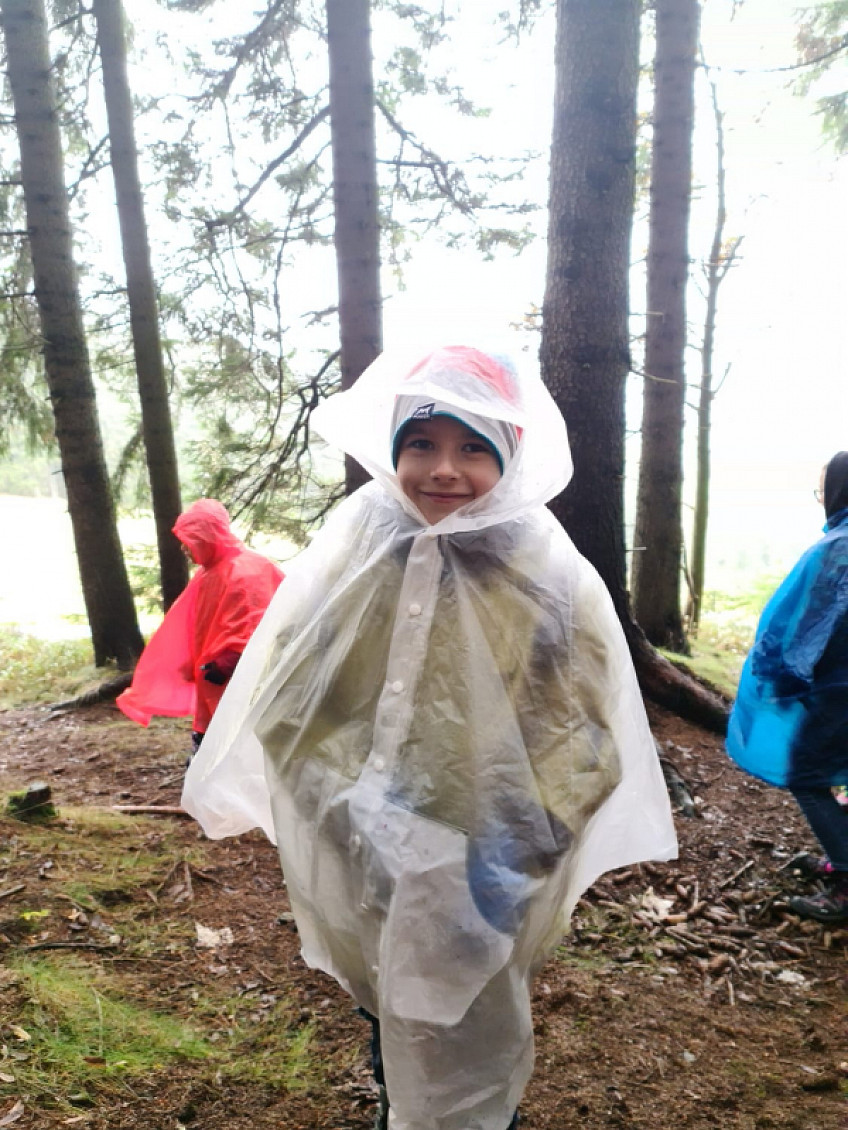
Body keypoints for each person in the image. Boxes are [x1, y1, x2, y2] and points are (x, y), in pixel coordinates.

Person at [182, 345, 677, 1130]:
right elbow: (289, 695)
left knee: (469, 1013)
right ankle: (398, 1105)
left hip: (485, 860)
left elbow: (585, 731)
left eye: (473, 447)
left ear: (509, 456)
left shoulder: (549, 574)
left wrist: (512, 849)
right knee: (387, 1000)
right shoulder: (356, 550)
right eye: (422, 444)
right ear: (394, 449)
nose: (444, 469)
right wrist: (345, 807)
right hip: (361, 844)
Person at [726, 451, 848, 924]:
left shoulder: (837, 549)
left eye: (823, 489)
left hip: (834, 692)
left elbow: (812, 627)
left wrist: (781, 677)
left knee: (808, 777)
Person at [117, 498, 284, 751]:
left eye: (190, 539)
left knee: (233, 748)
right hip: (216, 680)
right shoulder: (212, 570)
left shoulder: (244, 571)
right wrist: (189, 662)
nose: (183, 548)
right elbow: (200, 622)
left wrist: (226, 663)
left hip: (236, 682)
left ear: (208, 536)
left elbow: (254, 624)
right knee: (214, 745)